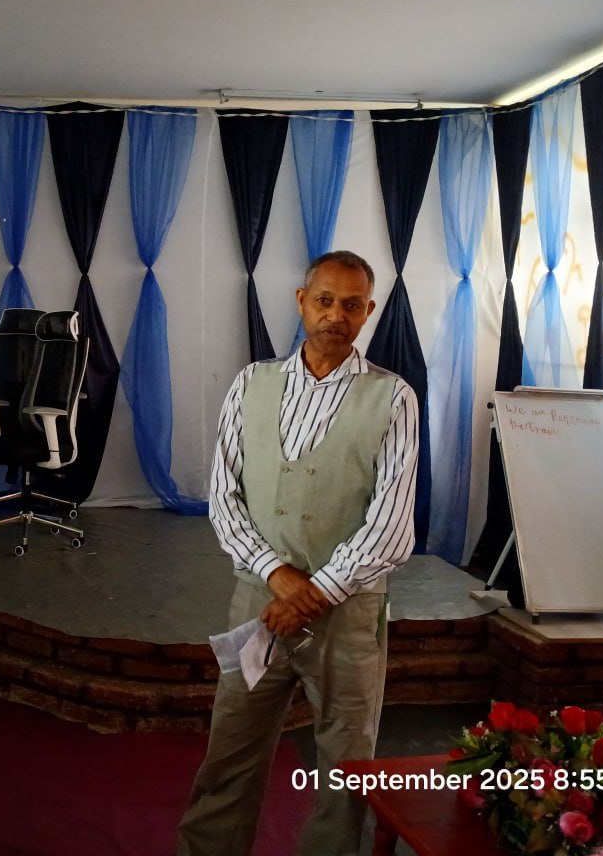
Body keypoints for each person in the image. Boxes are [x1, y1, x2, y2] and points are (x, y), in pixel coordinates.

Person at [176, 250, 420, 856]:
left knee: (346, 771)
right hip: (257, 606)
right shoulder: (251, 384)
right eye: (324, 300)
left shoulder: (393, 398)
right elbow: (223, 496)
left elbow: (391, 523)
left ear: (368, 311)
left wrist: (313, 593)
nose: (336, 315)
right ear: (301, 301)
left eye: (351, 305)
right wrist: (277, 576)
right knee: (229, 751)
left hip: (348, 617)